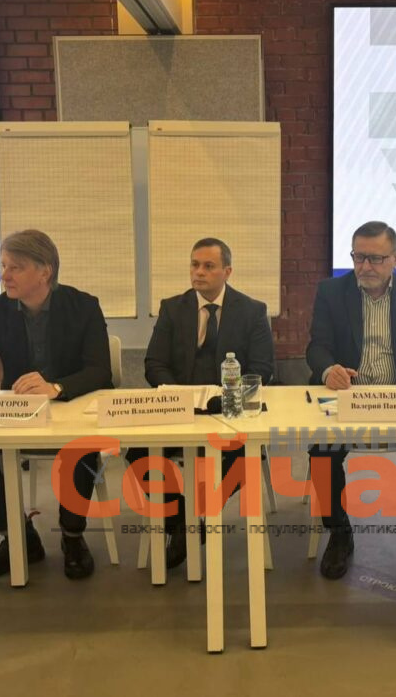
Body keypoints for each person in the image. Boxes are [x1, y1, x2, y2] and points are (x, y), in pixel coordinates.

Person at [0, 229, 113, 581]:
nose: (5, 275)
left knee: (81, 445)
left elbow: (99, 370)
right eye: (3, 266)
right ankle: (19, 535)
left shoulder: (83, 306)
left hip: (70, 407)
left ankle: (72, 536)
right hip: (18, 415)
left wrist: (56, 387)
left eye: (15, 267)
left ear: (44, 271)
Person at [306, 220, 396, 597]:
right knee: (321, 450)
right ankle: (339, 531)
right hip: (347, 399)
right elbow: (317, 347)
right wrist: (328, 370)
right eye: (359, 257)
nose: (365, 266)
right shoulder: (331, 292)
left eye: (376, 258)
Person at [127, 237, 275, 569]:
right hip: (182, 407)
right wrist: (179, 396)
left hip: (230, 410)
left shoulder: (252, 311)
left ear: (227, 271)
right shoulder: (172, 308)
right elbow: (154, 364)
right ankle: (183, 520)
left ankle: (193, 521)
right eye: (195, 265)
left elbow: (263, 369)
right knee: (138, 454)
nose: (199, 272)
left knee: (241, 457)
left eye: (208, 266)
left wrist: (227, 398)